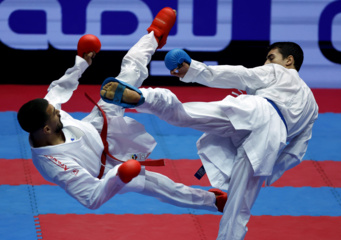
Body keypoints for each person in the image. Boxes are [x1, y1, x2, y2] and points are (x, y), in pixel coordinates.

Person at [17, 7, 227, 214]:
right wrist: (120, 176)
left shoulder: (44, 115)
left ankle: (155, 34)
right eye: (55, 114)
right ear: (46, 129)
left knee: (126, 77)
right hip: (108, 169)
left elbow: (58, 90)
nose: (58, 112)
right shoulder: (55, 165)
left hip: (96, 126)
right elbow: (91, 198)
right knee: (164, 187)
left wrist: (82, 62)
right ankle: (214, 202)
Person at [100, 42, 319, 239]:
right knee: (237, 210)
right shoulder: (312, 106)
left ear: (288, 60)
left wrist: (193, 69)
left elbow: (240, 75)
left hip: (254, 111)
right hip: (271, 142)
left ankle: (143, 98)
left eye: (271, 57)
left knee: (185, 114)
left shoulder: (278, 72)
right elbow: (296, 151)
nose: (267, 62)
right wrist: (270, 169)